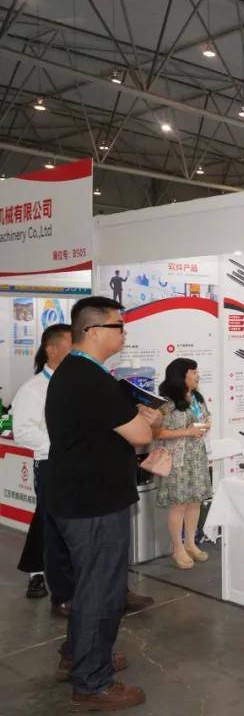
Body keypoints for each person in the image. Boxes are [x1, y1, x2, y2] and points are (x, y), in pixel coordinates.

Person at [45, 296, 162, 711]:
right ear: (94, 332)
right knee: (101, 591)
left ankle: (77, 656)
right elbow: (140, 435)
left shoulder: (77, 373)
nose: (124, 333)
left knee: (90, 585)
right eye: (119, 326)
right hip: (93, 503)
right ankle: (93, 682)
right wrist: (148, 422)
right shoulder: (90, 379)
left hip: (80, 497)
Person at [13, 325, 74, 604]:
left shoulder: (77, 383)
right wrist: (62, 448)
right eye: (72, 346)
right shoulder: (33, 389)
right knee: (50, 522)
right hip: (51, 463)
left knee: (60, 522)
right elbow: (24, 432)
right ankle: (42, 576)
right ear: (52, 349)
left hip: (78, 463)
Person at [150, 358, 213, 570]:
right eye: (193, 372)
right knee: (179, 505)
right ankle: (177, 549)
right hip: (177, 460)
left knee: (195, 502)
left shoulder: (196, 397)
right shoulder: (166, 402)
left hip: (197, 457)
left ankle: (190, 544)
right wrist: (188, 431)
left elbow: (206, 419)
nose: (197, 375)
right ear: (181, 375)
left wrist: (205, 425)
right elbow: (157, 433)